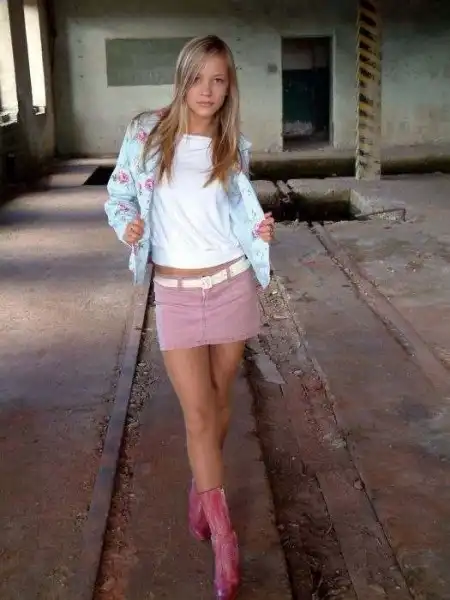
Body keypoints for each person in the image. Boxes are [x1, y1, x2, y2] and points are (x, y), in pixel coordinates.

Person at [105, 35, 274, 600]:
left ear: (229, 87)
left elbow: (236, 214)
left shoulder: (233, 145)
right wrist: (127, 225)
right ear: (182, 78)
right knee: (198, 413)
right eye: (198, 78)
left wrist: (259, 230)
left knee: (221, 402)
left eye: (218, 79)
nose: (207, 90)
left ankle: (204, 489)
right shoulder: (145, 134)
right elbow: (118, 197)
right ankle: (225, 540)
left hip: (231, 281)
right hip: (176, 292)